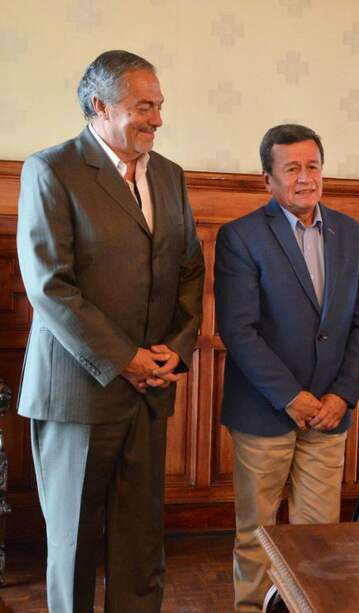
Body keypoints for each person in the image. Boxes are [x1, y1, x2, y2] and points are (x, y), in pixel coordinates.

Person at [16, 50, 204, 612]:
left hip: (150, 393)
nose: (158, 119)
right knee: (73, 544)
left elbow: (190, 269)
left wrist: (175, 349)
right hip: (78, 394)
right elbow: (50, 285)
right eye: (144, 106)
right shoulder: (52, 170)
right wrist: (125, 358)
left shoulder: (169, 175)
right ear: (100, 106)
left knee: (141, 545)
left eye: (160, 106)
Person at [215, 124, 359, 611]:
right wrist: (291, 396)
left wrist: (341, 396)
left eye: (312, 166)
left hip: (329, 413)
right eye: (292, 169)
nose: (305, 178)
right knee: (256, 536)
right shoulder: (240, 236)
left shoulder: (353, 234)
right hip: (266, 411)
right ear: (268, 180)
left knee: (317, 540)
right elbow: (238, 330)